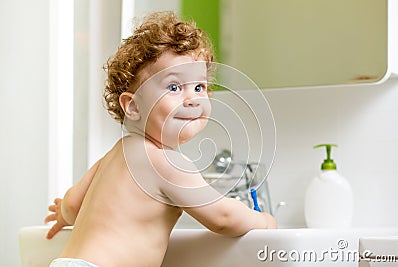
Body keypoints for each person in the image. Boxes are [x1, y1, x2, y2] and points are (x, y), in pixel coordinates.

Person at [44, 11, 277, 267]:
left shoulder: (117, 153)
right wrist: (262, 222)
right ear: (132, 106)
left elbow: (74, 204)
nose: (192, 98)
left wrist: (63, 213)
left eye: (199, 87)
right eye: (174, 87)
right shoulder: (165, 162)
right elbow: (221, 217)